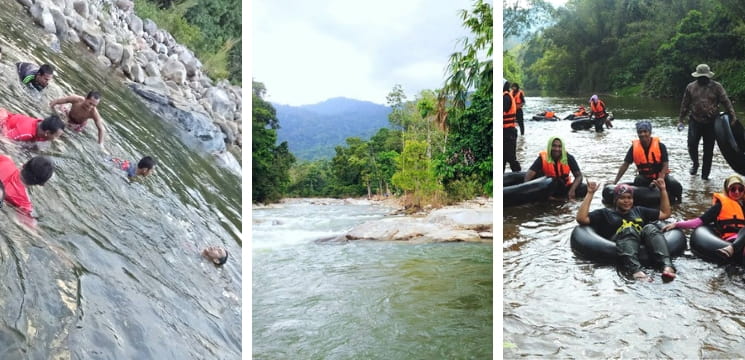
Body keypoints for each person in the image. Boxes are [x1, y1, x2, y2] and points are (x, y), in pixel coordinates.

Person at [576, 180, 676, 281]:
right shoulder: (605, 214)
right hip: (619, 241)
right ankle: (636, 271)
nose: (626, 201)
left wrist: (663, 190)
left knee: (650, 227)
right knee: (629, 228)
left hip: (639, 240)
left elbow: (665, 213)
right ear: (615, 200)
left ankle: (667, 266)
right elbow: (581, 219)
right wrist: (590, 193)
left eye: (629, 198)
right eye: (622, 198)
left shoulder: (639, 210)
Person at [662, 174, 745, 260]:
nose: (737, 192)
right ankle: (732, 248)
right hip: (731, 239)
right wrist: (677, 224)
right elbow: (699, 221)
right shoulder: (720, 206)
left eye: (740, 189)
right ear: (727, 190)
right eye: (733, 189)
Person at [678, 64, 737, 180]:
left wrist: (733, 116)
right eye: (700, 77)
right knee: (691, 144)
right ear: (697, 77)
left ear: (708, 76)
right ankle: (695, 163)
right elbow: (685, 104)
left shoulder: (717, 87)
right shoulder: (690, 87)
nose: (703, 79)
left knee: (708, 150)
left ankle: (705, 176)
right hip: (695, 120)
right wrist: (681, 119)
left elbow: (726, 102)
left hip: (712, 122)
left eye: (704, 77)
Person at [612, 121, 683, 202]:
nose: (642, 134)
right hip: (645, 177)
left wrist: (660, 179)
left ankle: (678, 202)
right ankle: (644, 199)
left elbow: (665, 165)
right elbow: (625, 165)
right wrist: (615, 182)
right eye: (640, 132)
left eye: (645, 131)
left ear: (650, 132)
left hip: (661, 177)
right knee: (638, 180)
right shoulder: (633, 148)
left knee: (674, 184)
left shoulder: (661, 146)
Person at [524, 136, 586, 200]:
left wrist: (572, 191)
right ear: (549, 147)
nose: (557, 149)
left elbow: (579, 176)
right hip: (548, 189)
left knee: (584, 188)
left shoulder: (569, 158)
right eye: (554, 146)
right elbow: (528, 176)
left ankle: (562, 199)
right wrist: (527, 190)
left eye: (559, 146)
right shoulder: (542, 158)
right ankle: (551, 199)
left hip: (564, 187)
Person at [503, 80, 521, 172]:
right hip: (506, 131)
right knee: (503, 159)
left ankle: (520, 178)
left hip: (508, 132)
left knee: (511, 158)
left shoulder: (505, 97)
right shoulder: (506, 96)